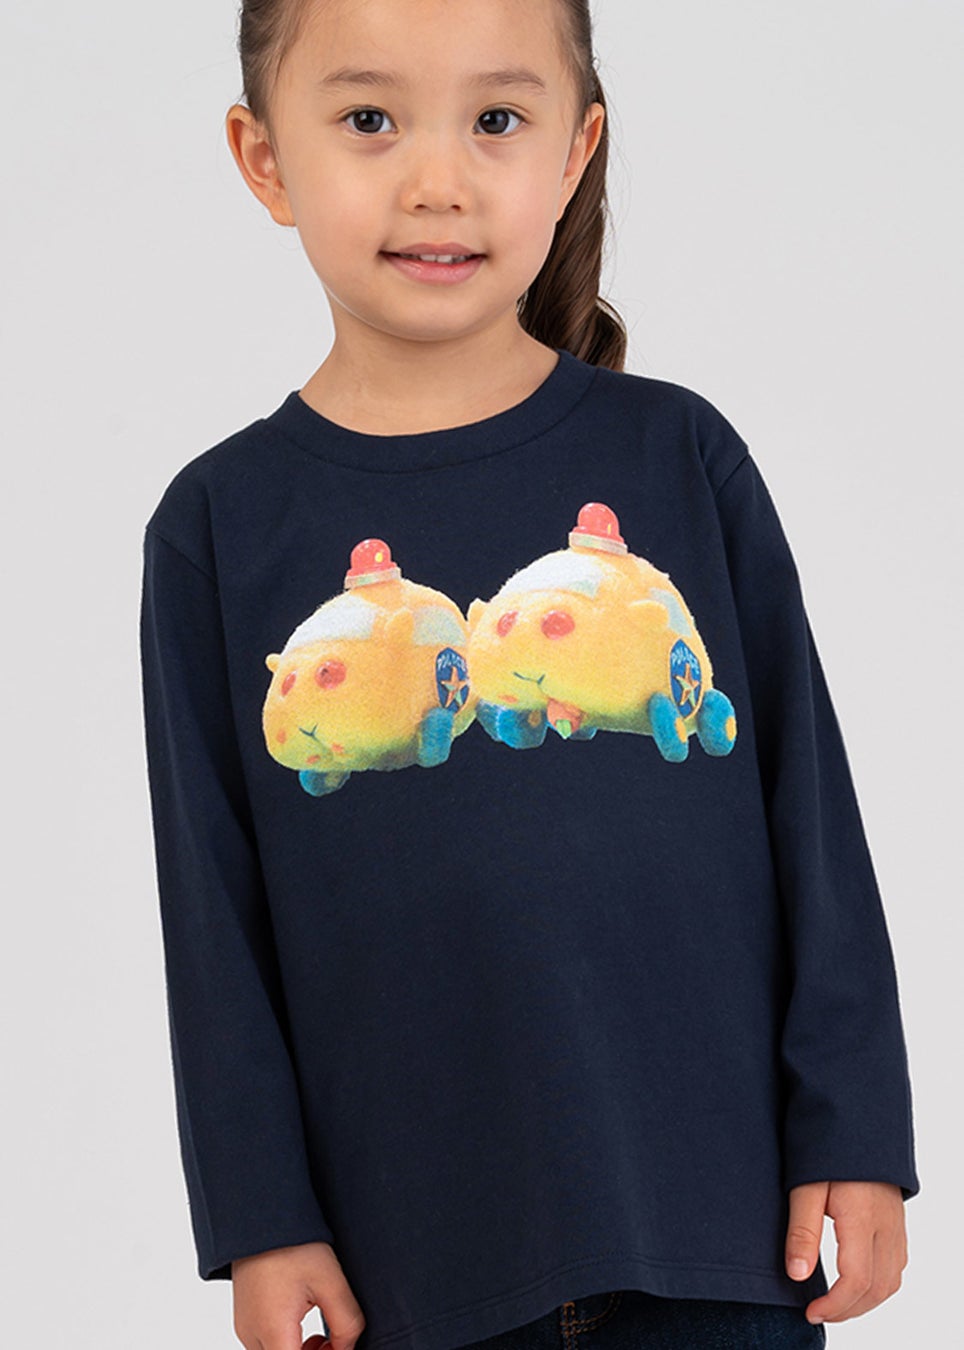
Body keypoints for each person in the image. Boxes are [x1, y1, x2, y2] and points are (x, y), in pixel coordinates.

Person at [138, 1, 920, 1348]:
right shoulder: (219, 525)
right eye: (370, 119)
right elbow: (213, 917)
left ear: (574, 151)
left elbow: (814, 819)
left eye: (496, 119)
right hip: (411, 1263)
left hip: (720, 1232)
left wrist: (856, 1124)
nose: (437, 180)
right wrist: (261, 1218)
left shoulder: (681, 457)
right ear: (264, 159)